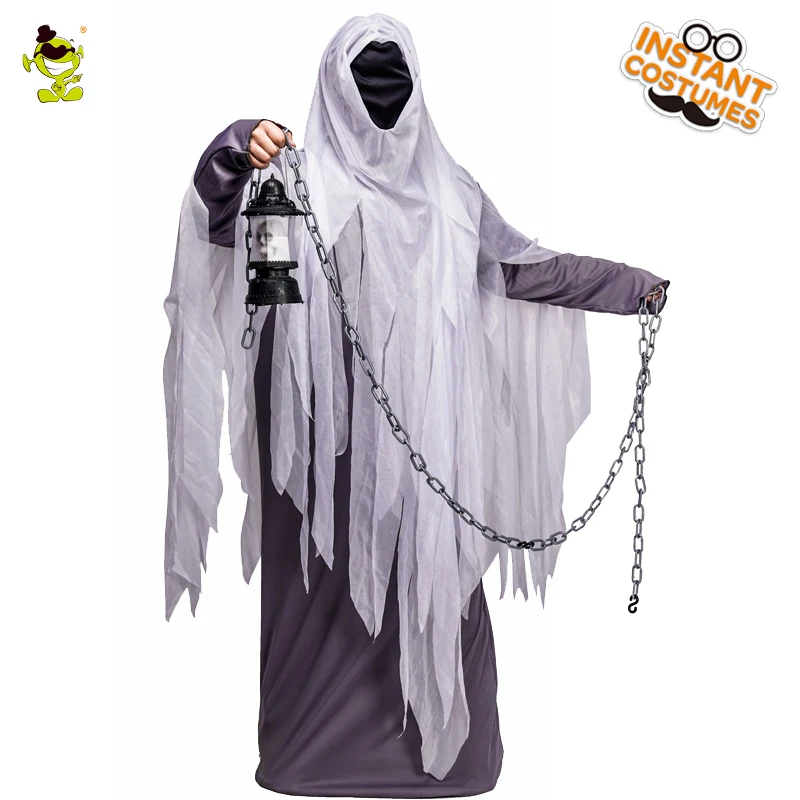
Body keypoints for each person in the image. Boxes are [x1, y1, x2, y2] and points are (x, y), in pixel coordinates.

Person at [164, 13, 669, 798]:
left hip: (426, 459)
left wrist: (633, 288)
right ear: (333, 90)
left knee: (438, 595)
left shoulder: (450, 196)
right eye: (364, 85)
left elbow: (526, 270)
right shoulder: (287, 190)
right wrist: (234, 148)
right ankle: (309, 753)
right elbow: (236, 255)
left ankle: (446, 756)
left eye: (394, 86)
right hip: (321, 462)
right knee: (317, 602)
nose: (380, 103)